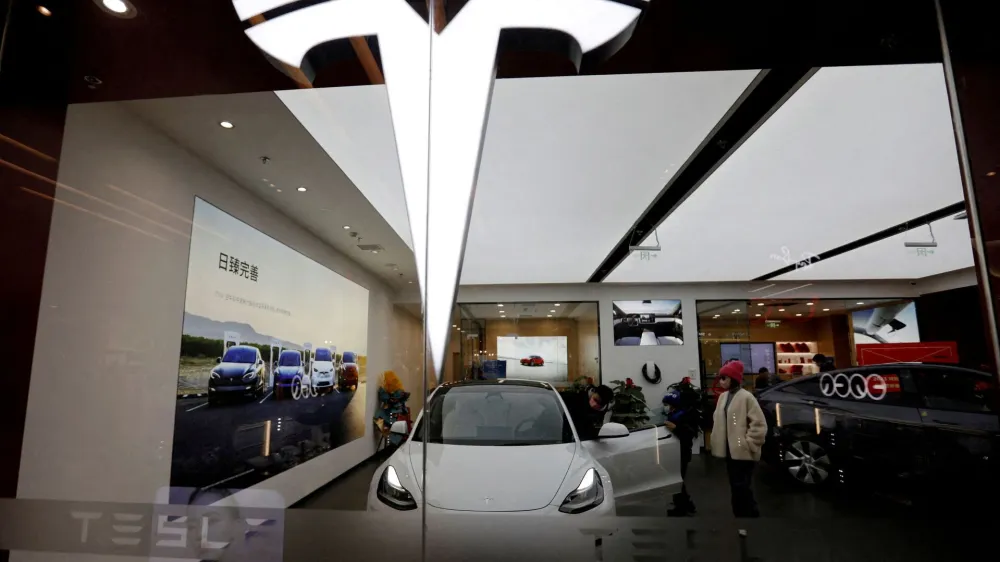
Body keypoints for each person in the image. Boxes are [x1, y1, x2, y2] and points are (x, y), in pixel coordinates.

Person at [710, 360, 767, 519]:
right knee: (736, 487)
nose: (721, 381)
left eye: (724, 377)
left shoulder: (746, 397)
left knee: (742, 487)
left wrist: (749, 444)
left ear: (733, 378)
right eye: (720, 377)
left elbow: (759, 424)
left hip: (743, 452)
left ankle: (749, 517)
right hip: (729, 452)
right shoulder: (723, 397)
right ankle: (741, 518)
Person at [663, 377, 702, 516]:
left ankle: (683, 507)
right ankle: (686, 505)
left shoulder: (686, 416)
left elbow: (688, 434)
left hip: (682, 452)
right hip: (674, 451)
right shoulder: (674, 413)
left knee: (677, 480)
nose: (667, 407)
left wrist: (676, 428)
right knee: (677, 479)